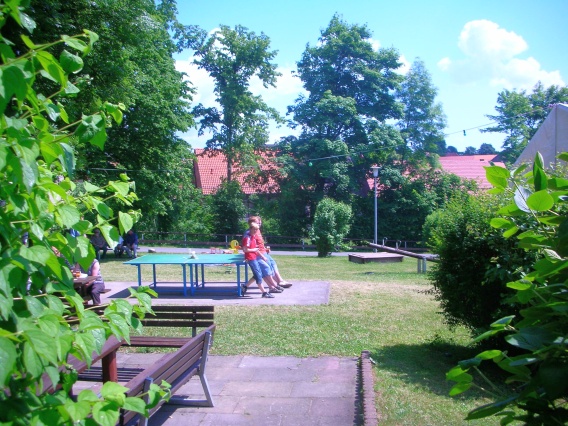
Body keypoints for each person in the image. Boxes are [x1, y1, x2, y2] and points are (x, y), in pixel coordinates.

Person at [243, 215, 292, 290]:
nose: (259, 224)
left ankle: (279, 281)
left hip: (262, 252)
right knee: (265, 269)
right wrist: (257, 252)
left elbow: (258, 243)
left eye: (260, 222)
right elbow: (248, 247)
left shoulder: (256, 230)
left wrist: (265, 249)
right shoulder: (249, 233)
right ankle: (273, 286)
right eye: (257, 222)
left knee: (272, 264)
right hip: (257, 254)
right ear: (251, 224)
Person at [242, 222, 279, 298]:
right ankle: (264, 293)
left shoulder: (253, 236)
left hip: (255, 257)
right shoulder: (247, 238)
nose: (256, 231)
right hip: (250, 259)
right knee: (259, 275)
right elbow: (245, 250)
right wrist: (254, 250)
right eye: (254, 229)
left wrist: (262, 256)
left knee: (258, 274)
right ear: (250, 229)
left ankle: (245, 286)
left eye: (257, 229)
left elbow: (256, 249)